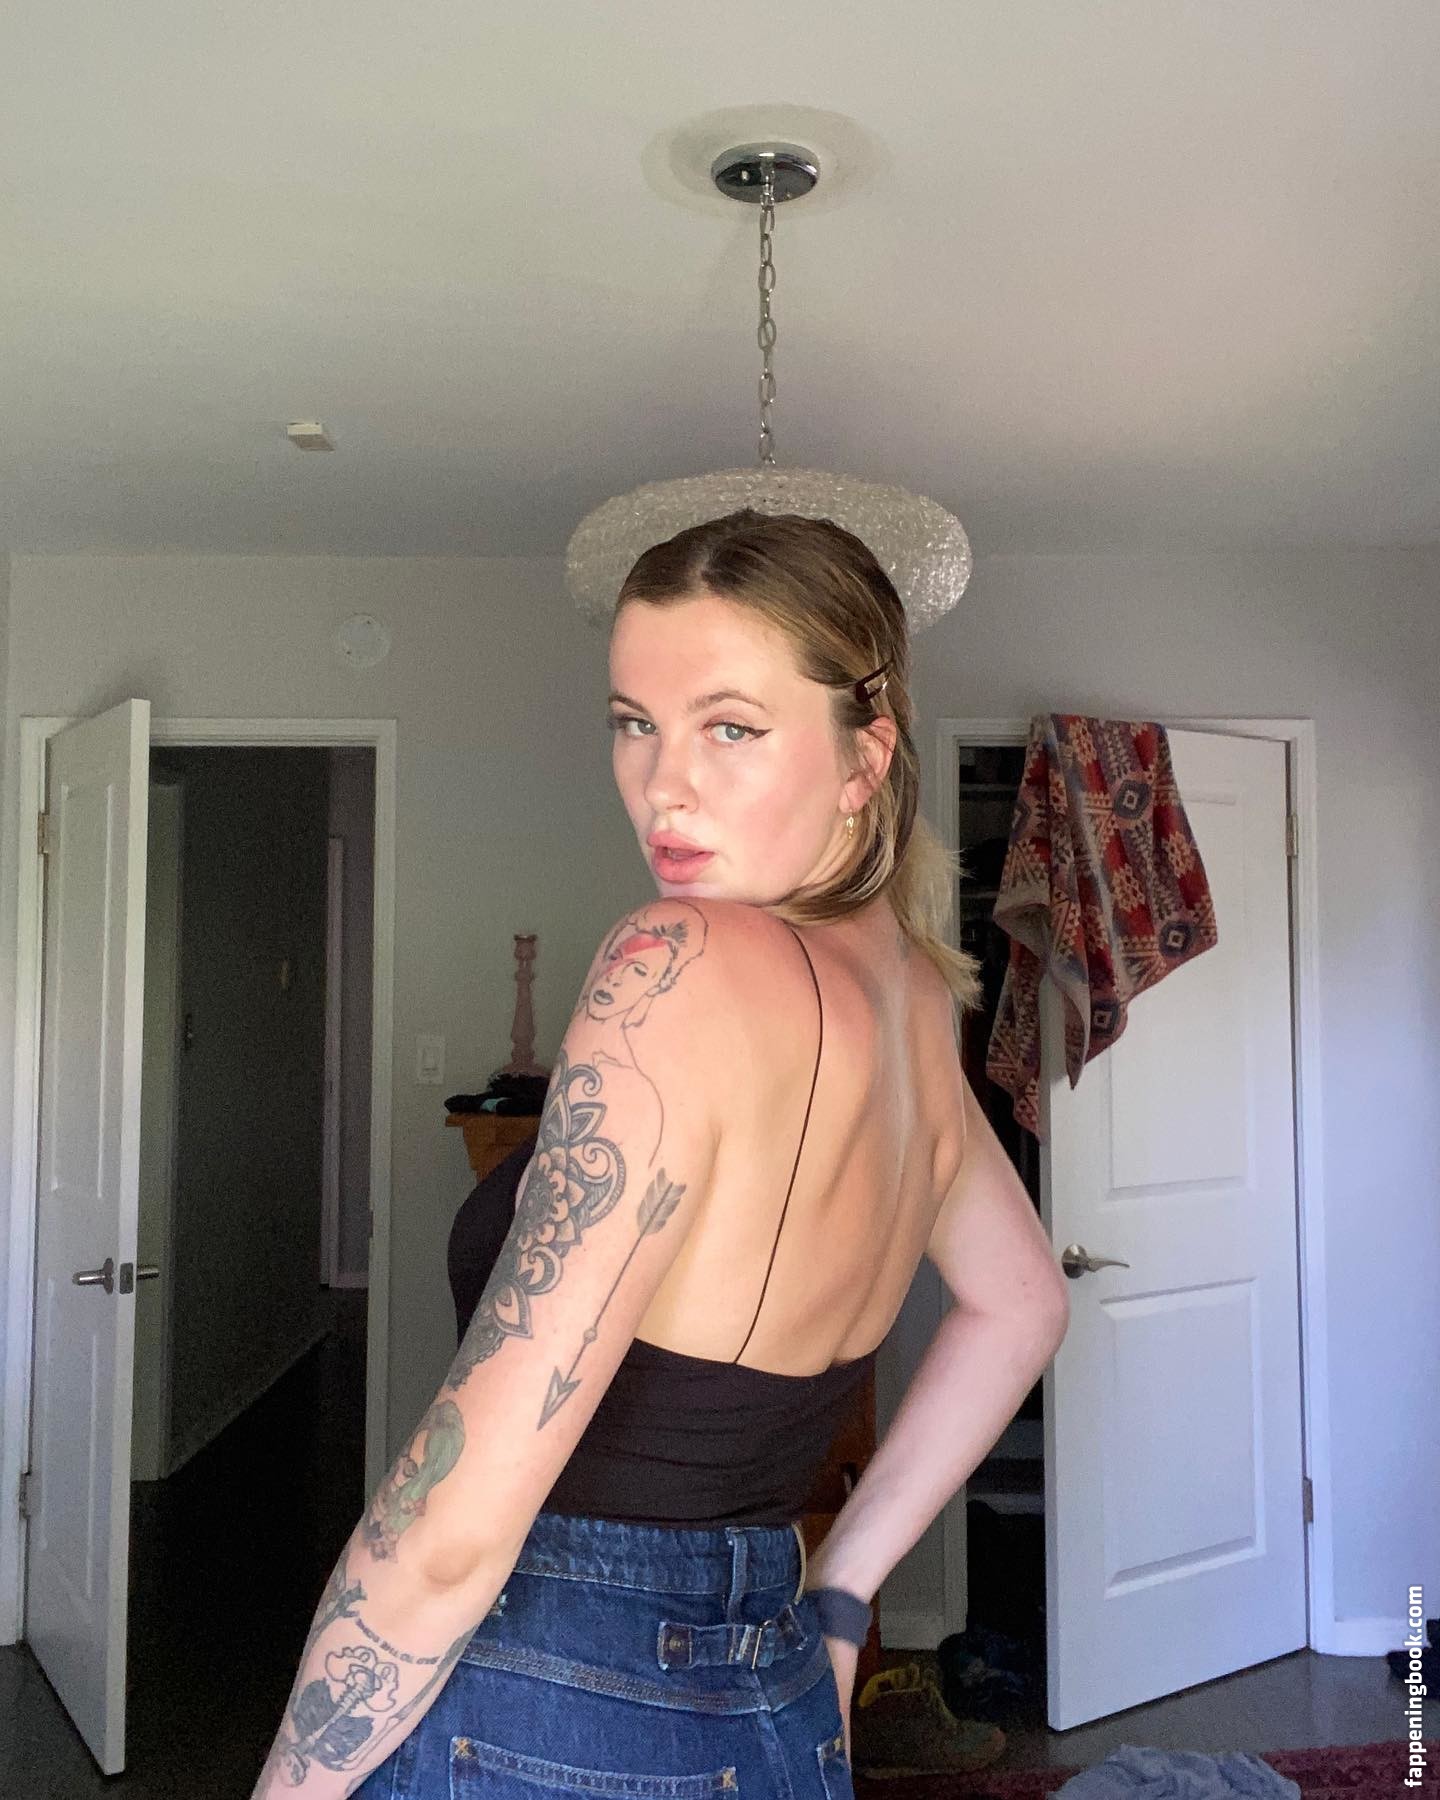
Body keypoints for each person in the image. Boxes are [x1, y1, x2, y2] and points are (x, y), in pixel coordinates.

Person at [250, 509, 1070, 1798]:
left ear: (864, 757)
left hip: (549, 1694)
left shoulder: (678, 962)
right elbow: (1023, 1305)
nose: (662, 785)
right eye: (635, 723)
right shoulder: (916, 1000)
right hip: (771, 1690)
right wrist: (841, 1591)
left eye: (730, 728)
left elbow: (451, 1534)